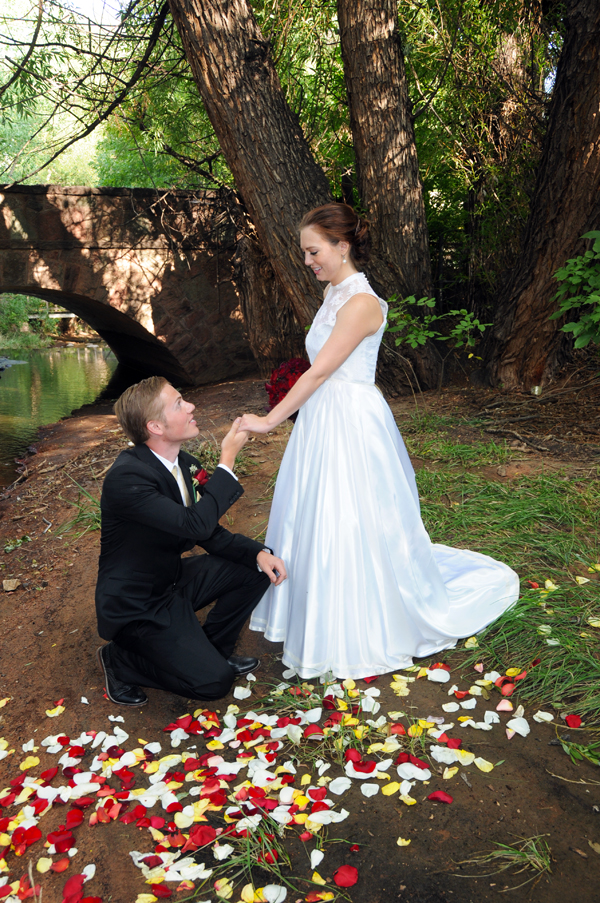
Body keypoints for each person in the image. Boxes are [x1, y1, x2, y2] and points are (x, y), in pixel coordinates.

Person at [239, 203, 519, 680]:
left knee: (352, 513)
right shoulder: (332, 293)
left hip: (351, 418)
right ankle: (316, 611)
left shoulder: (362, 303)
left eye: (313, 251)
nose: (308, 262)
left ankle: (357, 622)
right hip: (324, 419)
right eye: (305, 252)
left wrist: (268, 421)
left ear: (341, 246)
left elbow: (322, 369)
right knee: (318, 510)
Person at [95, 376, 286, 705]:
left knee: (255, 568)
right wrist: (227, 460)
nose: (191, 406)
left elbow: (206, 532)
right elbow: (194, 525)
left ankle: (213, 650)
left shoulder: (186, 464)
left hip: (172, 580)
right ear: (155, 426)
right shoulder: (127, 478)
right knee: (213, 684)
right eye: (179, 404)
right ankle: (119, 661)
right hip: (137, 606)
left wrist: (257, 554)